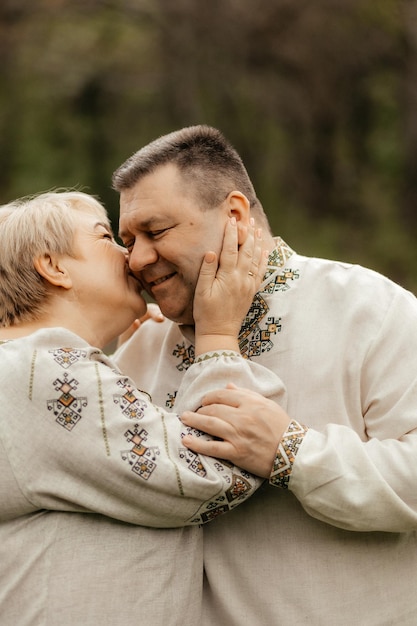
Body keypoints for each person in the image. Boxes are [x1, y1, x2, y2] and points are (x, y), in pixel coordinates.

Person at [113, 125, 417, 626]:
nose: (138, 258)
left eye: (156, 231)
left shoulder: (368, 308)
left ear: (234, 215)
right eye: (128, 240)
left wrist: (293, 453)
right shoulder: (139, 350)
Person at [0, 190, 289, 625]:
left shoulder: (24, 370)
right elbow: (214, 472)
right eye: (105, 238)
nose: (132, 259)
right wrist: (217, 335)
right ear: (53, 267)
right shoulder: (44, 371)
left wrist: (119, 374)